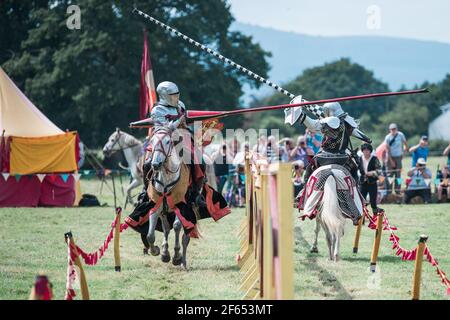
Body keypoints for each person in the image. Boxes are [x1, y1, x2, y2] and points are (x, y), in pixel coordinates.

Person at [289, 100, 372, 225]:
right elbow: (361, 136)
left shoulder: (326, 122)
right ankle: (359, 198)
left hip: (324, 157)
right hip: (343, 158)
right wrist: (367, 139)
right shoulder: (347, 123)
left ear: (327, 112)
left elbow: (311, 125)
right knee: (355, 172)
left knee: (309, 170)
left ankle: (303, 195)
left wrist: (300, 114)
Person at [148, 81, 206, 206]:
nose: (176, 97)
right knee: (147, 163)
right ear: (164, 95)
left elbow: (184, 124)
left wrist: (186, 124)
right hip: (162, 139)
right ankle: (145, 191)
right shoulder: (157, 110)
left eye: (176, 94)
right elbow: (165, 129)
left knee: (200, 161)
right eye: (172, 95)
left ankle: (196, 193)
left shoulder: (180, 105)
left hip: (182, 138)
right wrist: (179, 120)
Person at [358, 143, 382, 214]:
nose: (366, 151)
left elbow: (379, 171)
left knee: (373, 202)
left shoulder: (374, 159)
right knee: (361, 202)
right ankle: (361, 220)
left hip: (372, 183)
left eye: (367, 150)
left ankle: (375, 218)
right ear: (362, 151)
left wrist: (372, 173)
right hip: (362, 183)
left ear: (370, 151)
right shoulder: (359, 159)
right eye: (364, 150)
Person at [385, 123, 408, 194]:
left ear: (396, 129)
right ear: (389, 130)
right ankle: (389, 192)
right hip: (390, 157)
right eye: (392, 129)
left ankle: (398, 191)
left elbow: (405, 144)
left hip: (399, 157)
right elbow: (387, 150)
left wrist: (404, 153)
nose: (393, 130)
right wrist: (391, 161)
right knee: (390, 175)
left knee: (398, 175)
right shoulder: (388, 137)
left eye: (394, 129)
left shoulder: (401, 135)